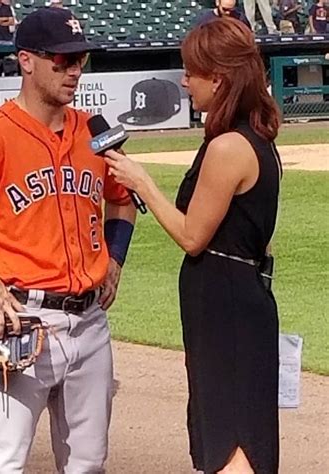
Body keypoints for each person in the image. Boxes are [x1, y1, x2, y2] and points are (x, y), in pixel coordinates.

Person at [0, 6, 136, 473]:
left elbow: (122, 199)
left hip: (91, 323)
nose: (73, 71)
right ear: (26, 60)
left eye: (80, 60)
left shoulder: (91, 133)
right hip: (21, 324)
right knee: (2, 463)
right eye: (62, 60)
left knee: (88, 464)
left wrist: (114, 258)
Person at [105, 18, 281, 474]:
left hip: (226, 305)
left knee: (231, 432)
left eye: (191, 72)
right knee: (226, 421)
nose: (184, 82)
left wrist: (142, 182)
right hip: (234, 296)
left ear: (218, 79)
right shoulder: (251, 138)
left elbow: (192, 235)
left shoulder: (229, 147)